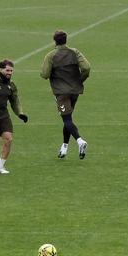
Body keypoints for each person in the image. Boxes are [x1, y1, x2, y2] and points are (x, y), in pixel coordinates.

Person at [41, 30, 91, 159]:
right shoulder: (74, 52)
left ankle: (80, 141)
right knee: (68, 118)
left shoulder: (51, 55)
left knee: (67, 119)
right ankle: (64, 147)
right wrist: (80, 80)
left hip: (61, 93)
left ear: (55, 41)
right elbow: (86, 68)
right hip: (74, 91)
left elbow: (45, 74)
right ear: (66, 39)